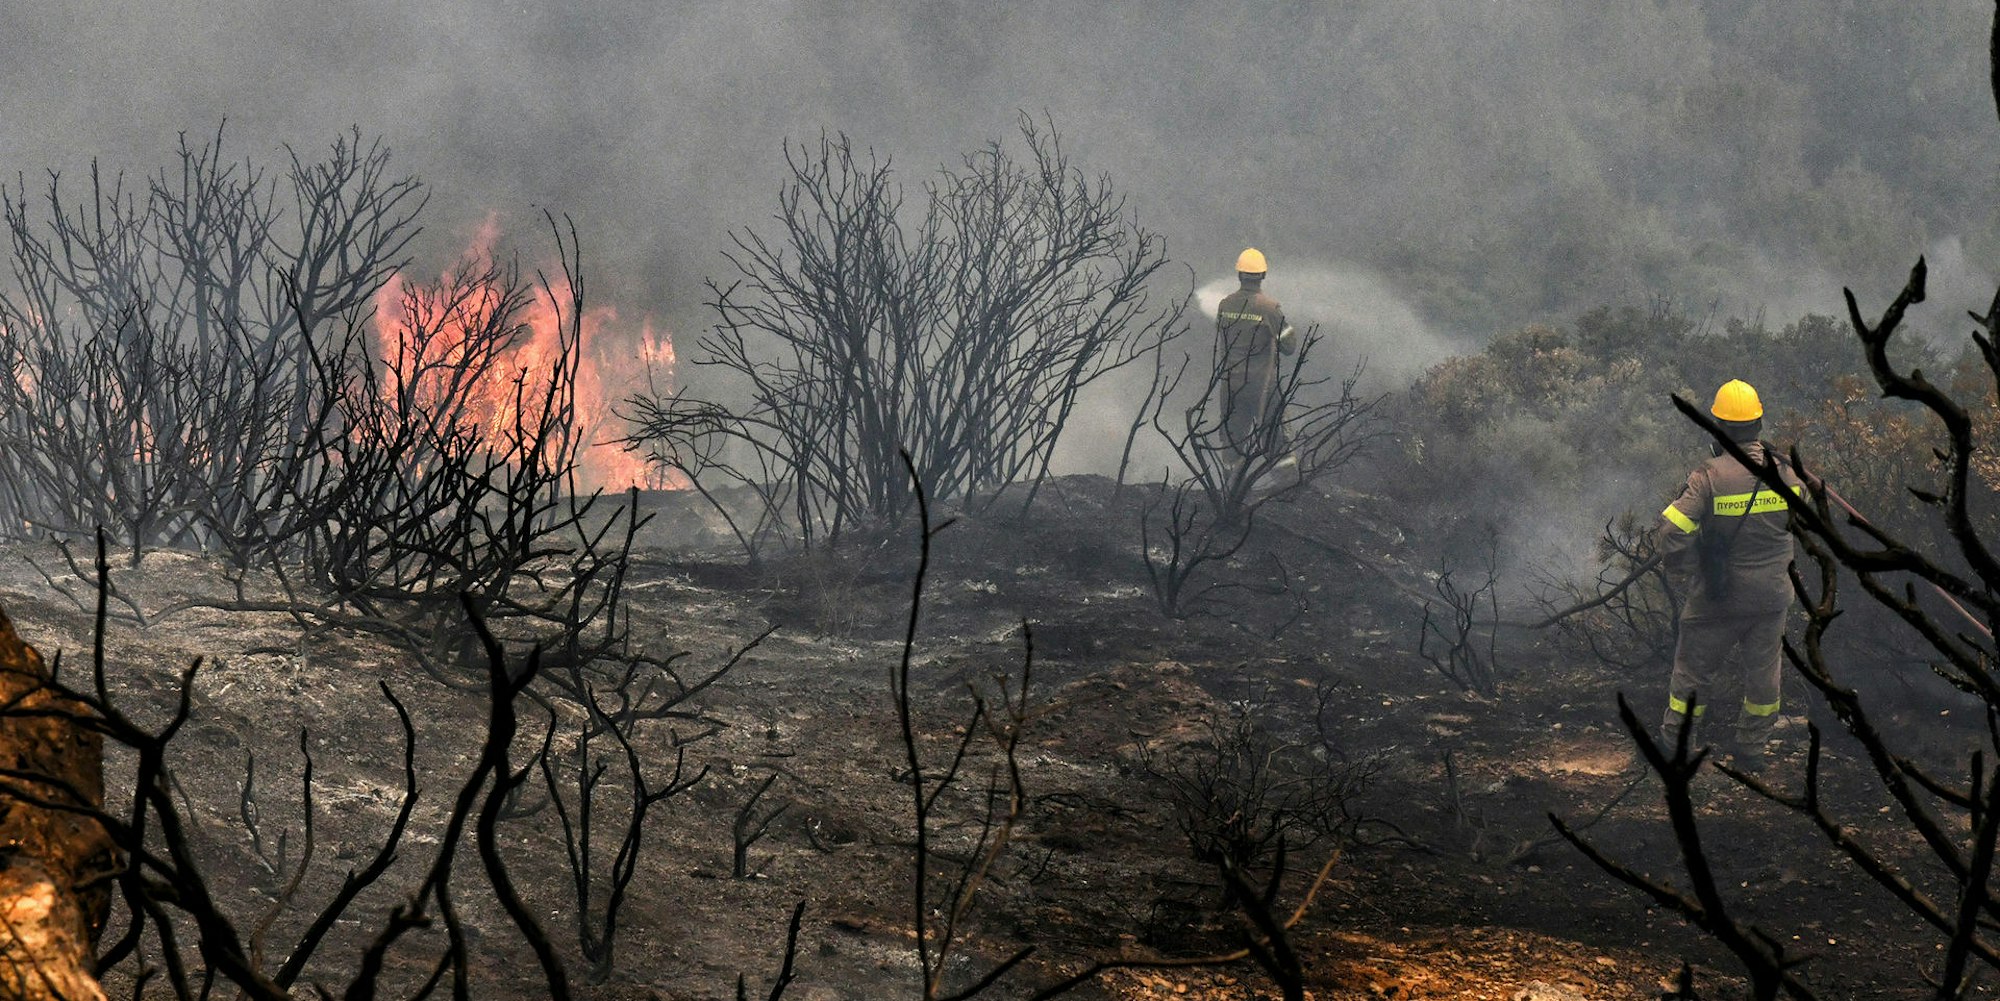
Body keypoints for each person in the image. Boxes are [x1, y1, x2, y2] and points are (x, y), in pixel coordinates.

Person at [1654, 379, 1804, 769]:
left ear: (1718, 428)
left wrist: (1690, 565)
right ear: (1758, 424)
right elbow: (1801, 523)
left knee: (1693, 673)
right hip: (1771, 597)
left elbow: (1671, 533)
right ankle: (1751, 749)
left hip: (1719, 596)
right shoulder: (1787, 474)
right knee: (1764, 676)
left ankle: (1677, 745)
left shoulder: (1709, 476)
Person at [1214, 248, 1297, 469]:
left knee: (1232, 443)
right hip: (1262, 386)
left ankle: (1231, 485)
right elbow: (1289, 346)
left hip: (1231, 386)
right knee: (1277, 441)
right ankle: (1286, 483)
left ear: (1239, 274)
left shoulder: (1225, 305)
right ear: (1263, 275)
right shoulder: (1269, 308)